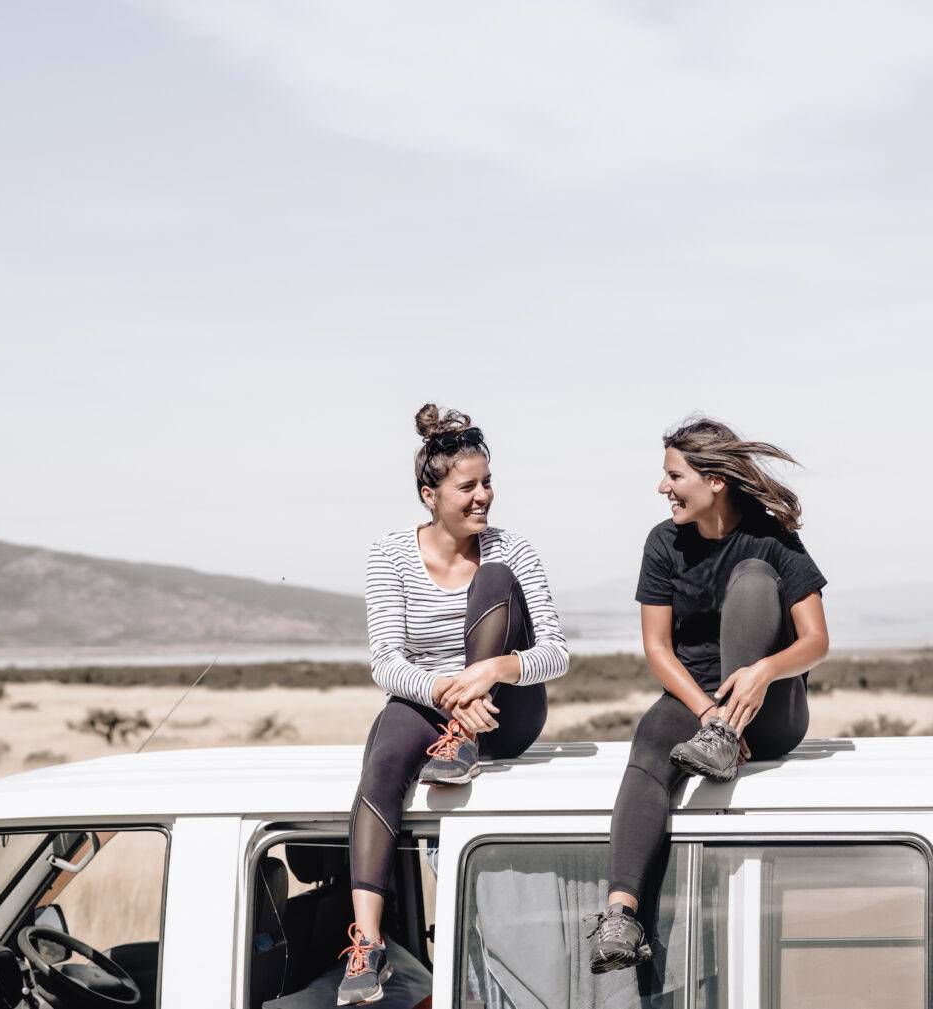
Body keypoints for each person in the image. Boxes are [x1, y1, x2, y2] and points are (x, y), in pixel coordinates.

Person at [337, 403, 569, 1005]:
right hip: (439, 707)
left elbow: (557, 654)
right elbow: (386, 662)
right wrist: (448, 694)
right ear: (429, 494)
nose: (483, 496)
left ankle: (462, 743)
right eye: (468, 486)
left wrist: (491, 672)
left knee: (493, 581)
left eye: (487, 482)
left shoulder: (510, 550)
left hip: (506, 712)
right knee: (385, 754)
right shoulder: (389, 554)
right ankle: (368, 943)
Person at [588, 417, 829, 975]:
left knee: (751, 576)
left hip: (769, 706)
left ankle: (726, 737)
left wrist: (765, 670)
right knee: (649, 740)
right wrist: (705, 710)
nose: (663, 487)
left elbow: (816, 641)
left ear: (713, 480)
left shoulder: (772, 538)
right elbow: (657, 649)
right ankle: (621, 914)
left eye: (674, 475)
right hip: (700, 705)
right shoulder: (663, 542)